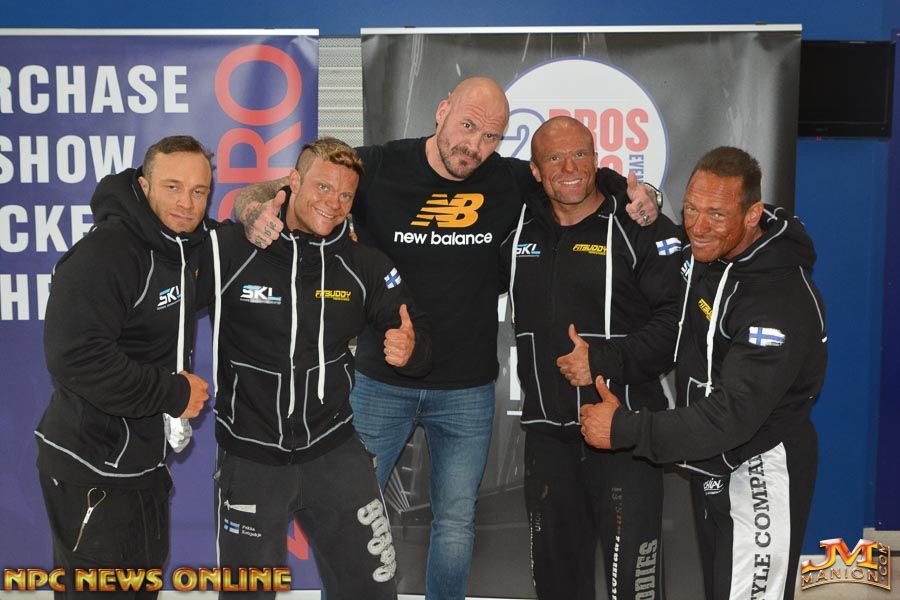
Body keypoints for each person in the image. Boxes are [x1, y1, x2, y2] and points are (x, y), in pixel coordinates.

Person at [234, 77, 660, 600]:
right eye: (467, 126)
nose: (474, 145)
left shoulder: (508, 178)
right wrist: (252, 210)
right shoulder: (382, 165)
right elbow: (286, 185)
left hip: (466, 388)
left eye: (490, 136)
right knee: (348, 515)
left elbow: (577, 177)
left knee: (455, 522)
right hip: (381, 381)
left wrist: (642, 192)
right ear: (441, 111)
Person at [581, 146, 828, 600]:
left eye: (715, 214)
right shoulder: (712, 256)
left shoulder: (777, 300)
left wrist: (624, 429)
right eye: (691, 208)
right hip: (712, 460)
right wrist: (642, 198)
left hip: (759, 466)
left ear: (752, 215)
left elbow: (732, 415)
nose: (697, 225)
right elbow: (671, 286)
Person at [199, 137, 431, 600]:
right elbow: (158, 266)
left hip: (334, 453)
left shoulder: (364, 264)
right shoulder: (231, 249)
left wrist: (411, 349)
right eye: (323, 187)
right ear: (293, 181)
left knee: (373, 592)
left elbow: (415, 332)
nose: (334, 203)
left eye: (346, 195)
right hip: (251, 457)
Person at [500, 116, 682, 599]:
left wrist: (601, 359)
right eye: (554, 158)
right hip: (548, 442)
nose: (569, 168)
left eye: (580, 154)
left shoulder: (638, 223)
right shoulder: (516, 227)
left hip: (625, 436)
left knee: (634, 589)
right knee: (556, 588)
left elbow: (677, 324)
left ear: (597, 159)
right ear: (535, 170)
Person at [35, 135, 212, 599]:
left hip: (142, 463)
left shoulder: (185, 245)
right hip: (91, 465)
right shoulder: (106, 253)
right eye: (173, 187)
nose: (187, 203)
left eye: (199, 191)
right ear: (144, 185)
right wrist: (173, 393)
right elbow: (75, 356)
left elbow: (245, 235)